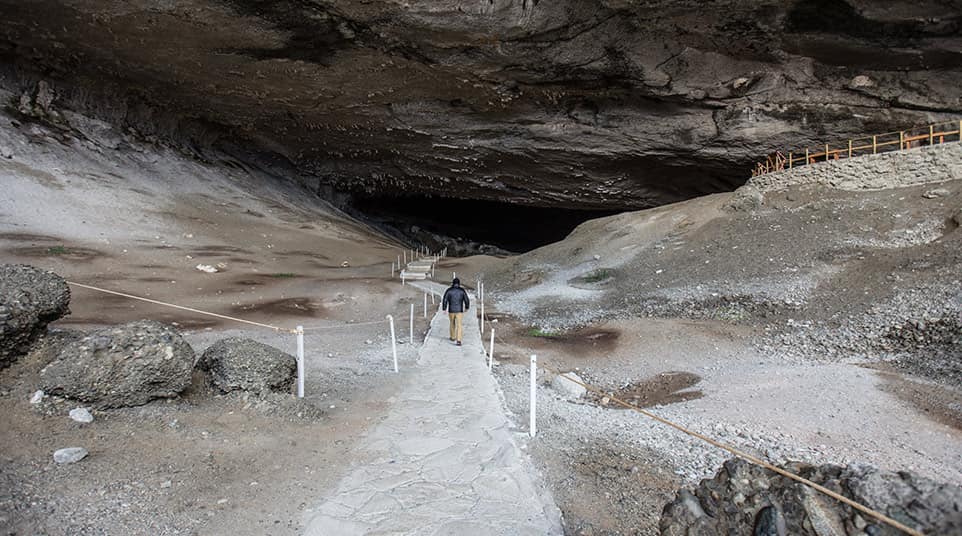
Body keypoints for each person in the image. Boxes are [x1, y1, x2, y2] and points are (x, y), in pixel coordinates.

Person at [442, 277, 469, 346]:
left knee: (452, 323)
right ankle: (459, 340)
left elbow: (445, 299)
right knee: (459, 325)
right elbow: (466, 299)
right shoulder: (462, 290)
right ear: (459, 284)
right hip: (459, 310)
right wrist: (466, 307)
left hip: (451, 310)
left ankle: (452, 337)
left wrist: (444, 308)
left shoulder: (449, 290)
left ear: (452, 283)